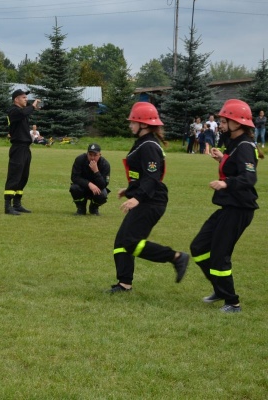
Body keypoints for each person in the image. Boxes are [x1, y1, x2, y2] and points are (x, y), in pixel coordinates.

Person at [108, 102, 189, 293]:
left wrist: (137, 197)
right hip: (145, 197)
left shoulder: (149, 145)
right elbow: (142, 175)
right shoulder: (143, 142)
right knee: (122, 242)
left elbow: (152, 177)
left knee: (131, 241)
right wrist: (129, 190)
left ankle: (176, 257)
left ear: (143, 124)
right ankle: (124, 284)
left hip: (151, 200)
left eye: (133, 122)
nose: (130, 125)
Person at [190, 99, 258, 313]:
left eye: (224, 121)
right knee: (199, 247)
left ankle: (232, 303)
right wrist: (222, 159)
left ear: (237, 123)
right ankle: (220, 289)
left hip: (239, 209)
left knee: (220, 254)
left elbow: (249, 177)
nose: (220, 124)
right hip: (228, 207)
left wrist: (226, 183)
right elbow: (235, 167)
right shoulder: (235, 143)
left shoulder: (245, 146)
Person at [4, 89, 41, 215]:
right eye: (24, 97)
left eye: (26, 97)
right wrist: (33, 106)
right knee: (14, 176)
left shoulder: (22, 112)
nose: (26, 99)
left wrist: (32, 107)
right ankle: (8, 206)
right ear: (16, 99)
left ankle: (17, 204)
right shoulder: (13, 111)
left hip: (25, 148)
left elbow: (24, 112)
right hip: (18, 148)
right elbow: (23, 112)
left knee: (23, 177)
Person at [69, 143, 110, 215]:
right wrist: (89, 184)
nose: (92, 158)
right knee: (74, 188)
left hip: (97, 189)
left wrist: (96, 171)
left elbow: (103, 185)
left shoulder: (105, 164)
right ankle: (81, 208)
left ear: (100, 155)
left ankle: (94, 208)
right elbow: (74, 177)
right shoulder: (80, 159)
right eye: (90, 155)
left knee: (103, 194)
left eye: (95, 155)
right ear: (87, 154)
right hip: (82, 187)